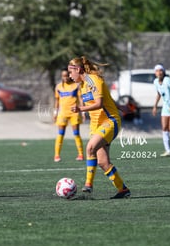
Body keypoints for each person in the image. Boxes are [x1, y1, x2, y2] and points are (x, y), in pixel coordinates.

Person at [68, 56, 130, 199]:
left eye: (71, 72)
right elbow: (106, 97)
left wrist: (80, 109)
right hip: (95, 125)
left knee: (90, 148)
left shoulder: (93, 80)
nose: (70, 75)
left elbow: (100, 103)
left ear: (78, 69)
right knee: (103, 163)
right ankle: (123, 189)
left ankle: (88, 185)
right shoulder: (82, 85)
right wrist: (119, 105)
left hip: (110, 121)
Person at [53, 68, 85, 162]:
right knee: (60, 134)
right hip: (63, 113)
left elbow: (81, 99)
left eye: (67, 75)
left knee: (76, 133)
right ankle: (57, 155)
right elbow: (57, 101)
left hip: (74, 113)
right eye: (63, 76)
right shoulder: (58, 87)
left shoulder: (76, 85)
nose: (65, 77)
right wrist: (55, 112)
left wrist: (83, 112)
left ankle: (80, 154)